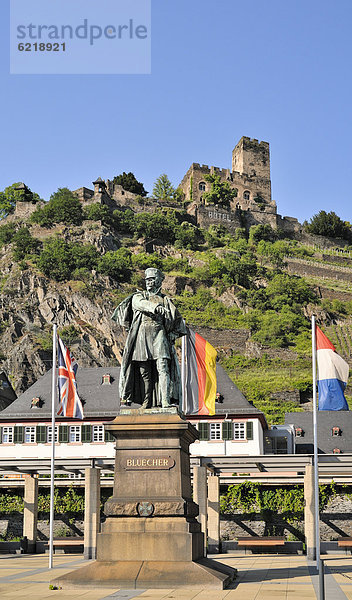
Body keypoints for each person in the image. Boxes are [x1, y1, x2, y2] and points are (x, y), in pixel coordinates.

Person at [112, 268, 187, 408]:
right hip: (142, 335)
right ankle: (146, 401)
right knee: (143, 371)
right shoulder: (139, 296)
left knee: (163, 367)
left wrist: (172, 334)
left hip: (159, 334)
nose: (148, 282)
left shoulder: (166, 300)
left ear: (159, 281)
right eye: (147, 280)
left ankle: (165, 401)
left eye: (151, 279)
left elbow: (177, 323)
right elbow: (140, 304)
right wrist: (156, 307)